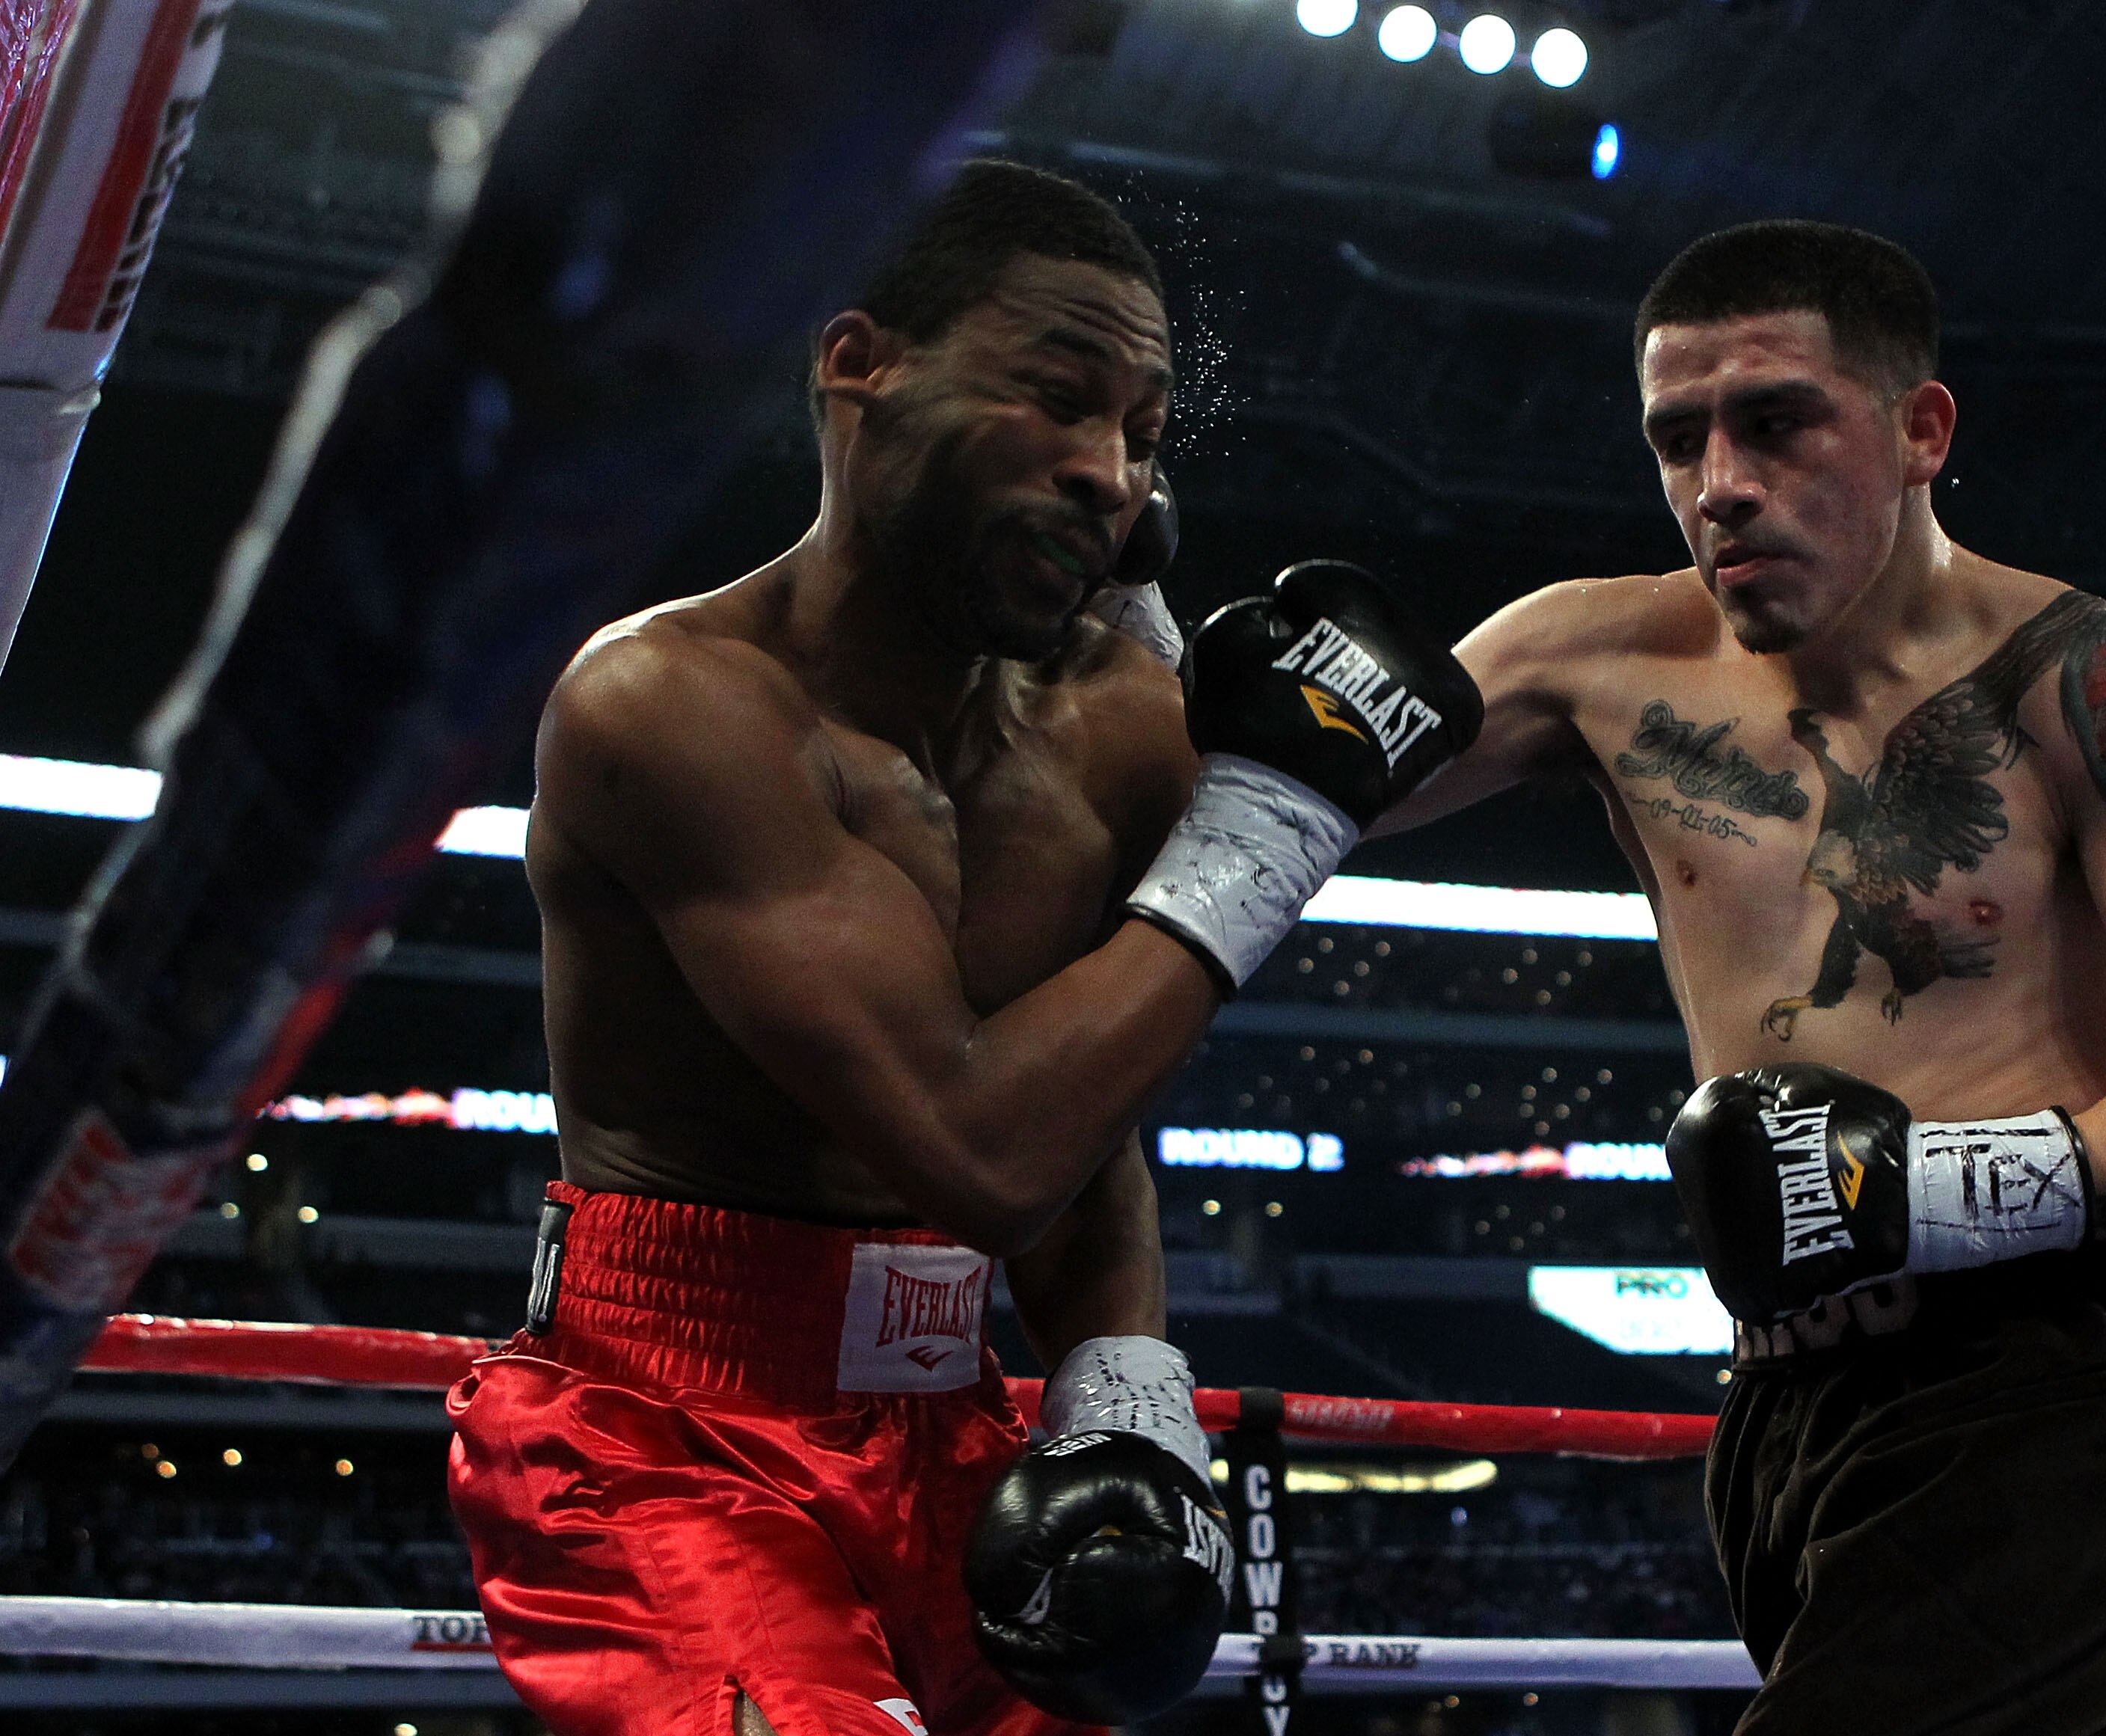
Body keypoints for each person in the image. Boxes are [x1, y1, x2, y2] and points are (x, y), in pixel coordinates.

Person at [445, 160, 1478, 1736]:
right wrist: (1274, 830)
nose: (1109, 475)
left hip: (961, 1414)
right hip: (666, 1429)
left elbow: (1083, 1141)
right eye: (1061, 400)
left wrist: (1123, 1412)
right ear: (859, 361)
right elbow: (982, 1155)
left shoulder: (1124, 733)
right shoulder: (670, 707)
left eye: (1139, 433)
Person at [1382, 221, 2106, 1733]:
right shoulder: (1582, 658)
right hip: (1787, 1405)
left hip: (2070, 1382)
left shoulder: (2090, 685)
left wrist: (1913, 1195)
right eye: (1677, 437)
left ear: (1919, 430)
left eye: (1776, 421)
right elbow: (1280, 795)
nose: (1721, 482)